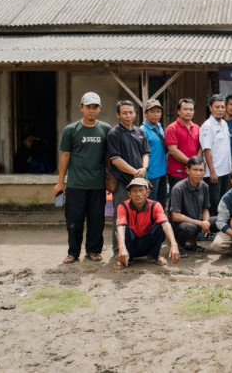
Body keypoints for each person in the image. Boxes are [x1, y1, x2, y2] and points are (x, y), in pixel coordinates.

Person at [54, 92, 111, 264]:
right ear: (81, 108)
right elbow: (65, 156)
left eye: (95, 107)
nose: (92, 111)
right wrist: (60, 182)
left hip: (97, 184)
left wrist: (110, 176)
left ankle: (93, 251)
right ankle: (73, 252)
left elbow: (108, 155)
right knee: (74, 220)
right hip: (75, 185)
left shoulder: (105, 129)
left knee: (96, 220)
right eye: (88, 107)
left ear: (99, 108)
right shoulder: (71, 130)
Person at [107, 100, 150, 253]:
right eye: (124, 113)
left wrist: (144, 168)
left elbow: (145, 153)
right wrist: (135, 172)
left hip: (139, 182)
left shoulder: (140, 132)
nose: (128, 116)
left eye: (131, 112)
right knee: (121, 216)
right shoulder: (114, 134)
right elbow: (116, 160)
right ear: (118, 114)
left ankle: (135, 249)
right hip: (122, 183)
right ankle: (118, 250)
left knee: (139, 216)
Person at [114, 177, 181, 269]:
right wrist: (121, 248)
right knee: (120, 228)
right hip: (131, 244)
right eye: (134, 191)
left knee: (161, 226)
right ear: (129, 194)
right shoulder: (123, 206)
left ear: (148, 193)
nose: (138, 194)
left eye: (141, 190)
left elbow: (166, 224)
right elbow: (120, 227)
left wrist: (174, 245)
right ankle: (126, 258)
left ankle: (153, 256)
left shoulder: (155, 205)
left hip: (147, 242)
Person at [169, 156, 216, 256]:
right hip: (180, 226)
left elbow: (205, 209)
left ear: (205, 171)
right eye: (195, 170)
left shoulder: (204, 186)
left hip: (195, 222)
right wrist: (200, 223)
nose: (198, 173)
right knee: (190, 227)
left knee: (219, 220)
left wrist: (206, 222)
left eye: (201, 170)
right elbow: (175, 216)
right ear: (188, 170)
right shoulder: (178, 188)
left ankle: (192, 243)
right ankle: (179, 245)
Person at [200, 94, 232, 215]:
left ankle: (221, 227)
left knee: (222, 202)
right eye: (217, 107)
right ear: (210, 108)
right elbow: (207, 150)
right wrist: (212, 172)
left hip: (225, 171)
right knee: (214, 204)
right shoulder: (207, 126)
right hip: (214, 173)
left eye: (222, 107)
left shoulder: (223, 123)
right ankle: (212, 230)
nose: (220, 110)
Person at [165, 98, 201, 191]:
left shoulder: (197, 128)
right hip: (177, 172)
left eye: (191, 109)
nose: (188, 112)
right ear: (178, 111)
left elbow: (200, 148)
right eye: (185, 109)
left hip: (193, 172)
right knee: (177, 201)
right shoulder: (172, 128)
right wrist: (191, 164)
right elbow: (173, 150)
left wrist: (194, 166)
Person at [141, 99, 167, 207]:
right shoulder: (142, 130)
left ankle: (159, 224)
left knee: (161, 204)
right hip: (151, 175)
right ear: (145, 113)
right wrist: (144, 177)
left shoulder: (159, 126)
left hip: (162, 172)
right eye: (152, 111)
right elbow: (140, 154)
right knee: (150, 205)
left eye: (158, 111)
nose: (156, 114)